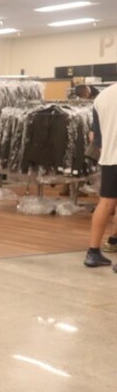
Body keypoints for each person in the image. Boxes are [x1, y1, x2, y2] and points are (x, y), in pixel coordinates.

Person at [85, 84, 117, 267]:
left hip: (109, 158)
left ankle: (93, 252)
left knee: (105, 202)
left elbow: (95, 137)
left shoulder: (102, 97)